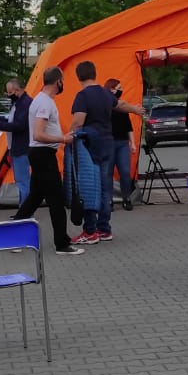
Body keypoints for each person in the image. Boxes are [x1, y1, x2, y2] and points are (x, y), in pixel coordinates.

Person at [11, 66, 83, 255]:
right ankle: (62, 244)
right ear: (58, 81)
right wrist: (63, 139)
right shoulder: (44, 103)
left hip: (40, 154)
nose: (63, 83)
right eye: (63, 80)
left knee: (34, 198)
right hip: (43, 155)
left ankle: (12, 236)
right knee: (56, 200)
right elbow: (38, 134)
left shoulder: (42, 100)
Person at [69, 61, 117, 244]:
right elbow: (119, 104)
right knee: (105, 188)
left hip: (90, 145)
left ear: (78, 76)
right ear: (94, 73)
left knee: (89, 186)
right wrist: (135, 109)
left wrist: (68, 136)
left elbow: (78, 121)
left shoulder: (82, 96)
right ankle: (104, 228)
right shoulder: (106, 93)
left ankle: (90, 230)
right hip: (108, 142)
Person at [0, 79, 33, 207]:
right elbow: (11, 119)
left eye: (10, 92)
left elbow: (19, 125)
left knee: (23, 181)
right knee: (20, 180)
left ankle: (25, 210)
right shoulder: (17, 103)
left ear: (17, 90)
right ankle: (23, 208)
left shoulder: (25, 103)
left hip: (22, 147)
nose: (8, 95)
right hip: (16, 147)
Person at [105, 78, 145, 210]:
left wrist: (132, 143)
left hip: (122, 142)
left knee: (125, 171)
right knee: (108, 172)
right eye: (119, 88)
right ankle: (108, 200)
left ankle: (126, 198)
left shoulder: (123, 106)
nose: (121, 90)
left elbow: (129, 126)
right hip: (108, 143)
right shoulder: (105, 105)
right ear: (111, 89)